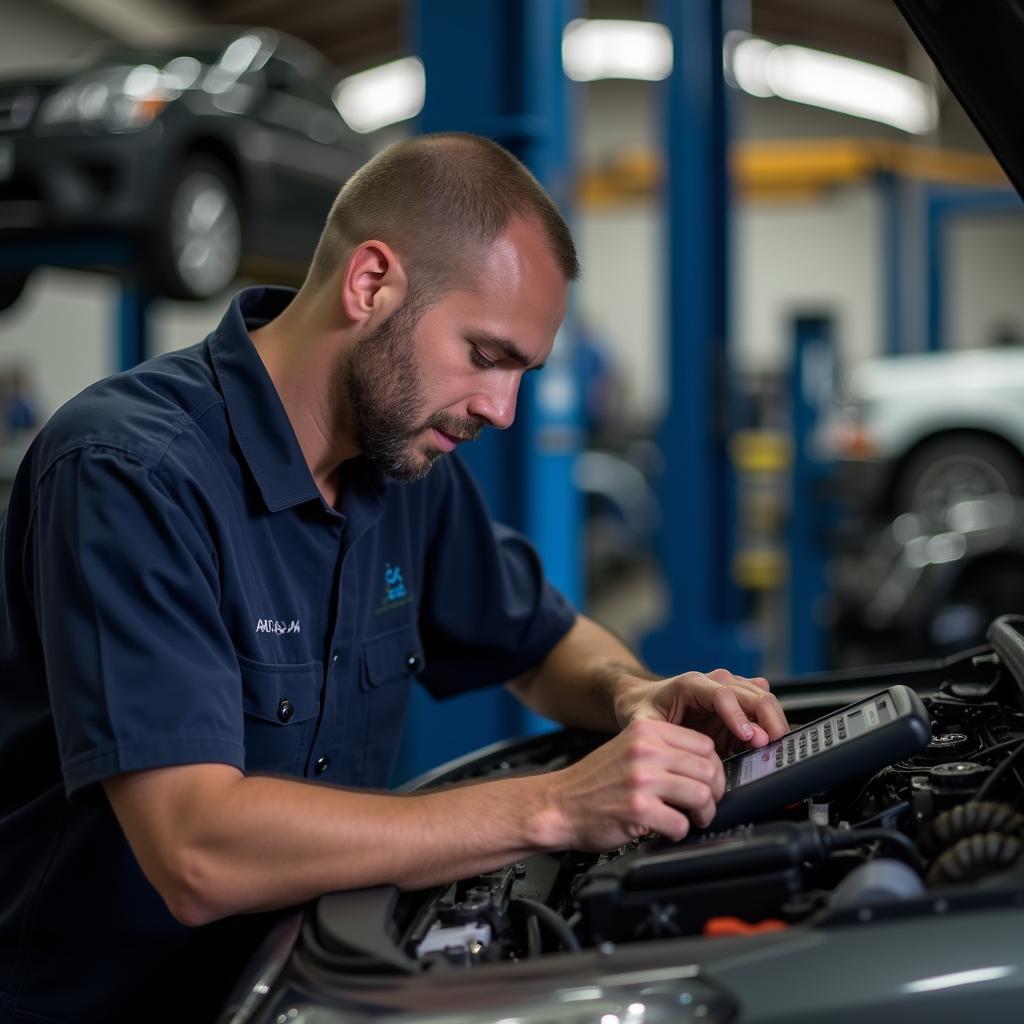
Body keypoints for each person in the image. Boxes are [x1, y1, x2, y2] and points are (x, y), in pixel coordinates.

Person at [0, 133, 788, 1023]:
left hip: (293, 986)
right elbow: (196, 850)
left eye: (523, 373)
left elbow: (542, 641)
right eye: (486, 356)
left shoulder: (405, 474)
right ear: (370, 283)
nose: (503, 410)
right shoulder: (131, 472)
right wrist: (556, 807)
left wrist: (633, 695)